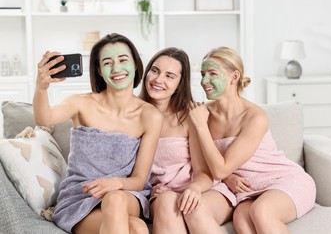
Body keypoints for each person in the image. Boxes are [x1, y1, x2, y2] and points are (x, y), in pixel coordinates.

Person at [33, 33, 163, 234]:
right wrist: (42, 87)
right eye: (107, 62)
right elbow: (44, 118)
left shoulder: (150, 116)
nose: (116, 68)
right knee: (136, 228)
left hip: (126, 193)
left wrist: (115, 183)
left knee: (115, 198)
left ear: (136, 65)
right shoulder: (80, 103)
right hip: (80, 197)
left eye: (123, 60)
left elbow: (139, 179)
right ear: (99, 71)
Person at [188, 46, 316, 234]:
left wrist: (201, 127)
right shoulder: (201, 113)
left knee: (262, 211)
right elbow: (208, 168)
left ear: (234, 76)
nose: (205, 81)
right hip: (246, 193)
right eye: (203, 74)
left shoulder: (254, 117)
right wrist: (229, 177)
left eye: (213, 73)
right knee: (242, 219)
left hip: (283, 180)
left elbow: (221, 168)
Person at [139, 47, 213, 234]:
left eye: (170, 76)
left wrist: (193, 189)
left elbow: (204, 173)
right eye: (155, 71)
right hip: (158, 196)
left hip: (192, 191)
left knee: (180, 204)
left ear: (180, 84)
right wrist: (149, 190)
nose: (158, 80)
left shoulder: (190, 116)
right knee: (166, 201)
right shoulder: (133, 114)